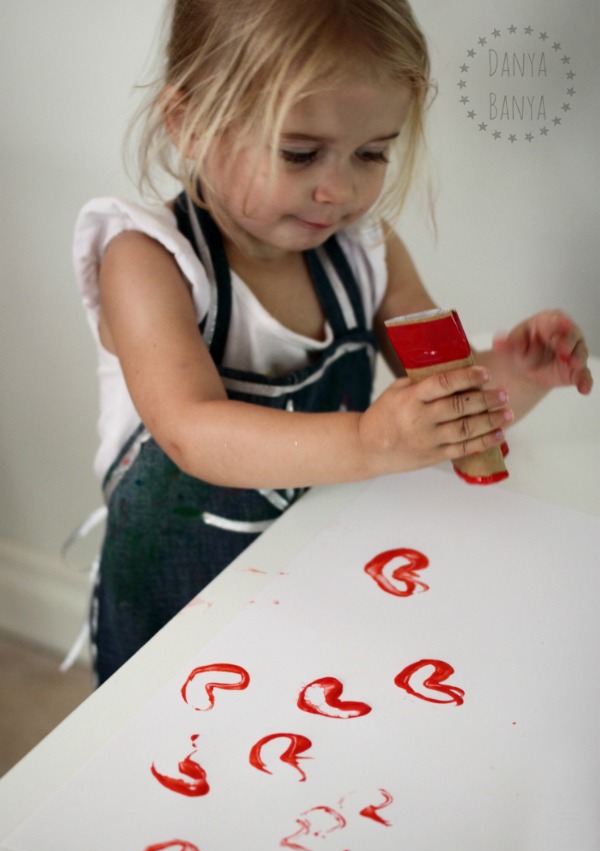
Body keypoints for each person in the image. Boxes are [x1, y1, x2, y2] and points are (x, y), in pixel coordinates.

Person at [74, 0, 593, 685]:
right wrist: (374, 441)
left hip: (312, 572)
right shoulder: (149, 261)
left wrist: (515, 375)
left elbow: (449, 401)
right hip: (177, 605)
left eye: (372, 152)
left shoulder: (367, 254)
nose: (338, 189)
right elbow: (191, 434)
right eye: (299, 152)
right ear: (188, 121)